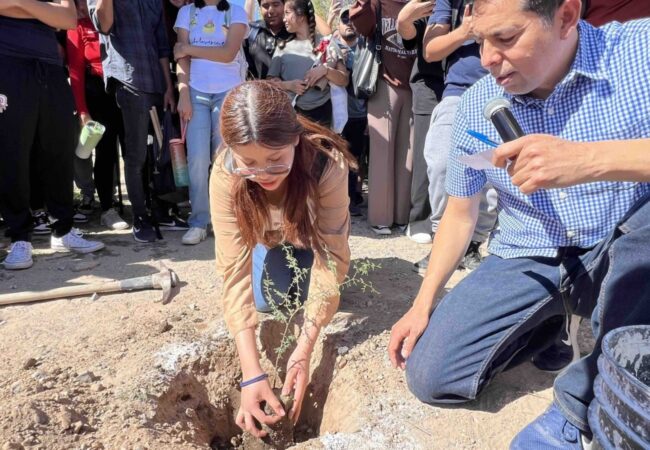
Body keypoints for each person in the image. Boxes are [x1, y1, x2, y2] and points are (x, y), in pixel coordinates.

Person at [387, 0, 650, 448]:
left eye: (506, 38)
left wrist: (589, 160)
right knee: (431, 375)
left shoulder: (637, 53)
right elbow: (461, 213)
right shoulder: (476, 105)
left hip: (621, 241)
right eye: (480, 40)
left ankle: (583, 398)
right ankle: (546, 325)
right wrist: (422, 302)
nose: (488, 58)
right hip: (531, 252)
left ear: (566, 17)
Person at [210, 80, 355, 436]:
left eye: (275, 160)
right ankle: (274, 251)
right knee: (268, 299)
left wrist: (304, 350)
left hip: (313, 239)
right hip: (269, 239)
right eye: (249, 163)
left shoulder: (326, 165)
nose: (262, 174)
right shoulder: (225, 174)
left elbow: (331, 255)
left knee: (318, 294)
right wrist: (252, 374)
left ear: (294, 139)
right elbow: (233, 271)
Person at [0, 0, 105, 270]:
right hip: (8, 64)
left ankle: (63, 230)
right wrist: (45, 11)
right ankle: (20, 237)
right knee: (14, 153)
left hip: (50, 67)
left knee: (58, 149)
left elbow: (68, 18)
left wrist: (19, 3)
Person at [414, 0, 497, 272]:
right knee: (440, 163)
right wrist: (466, 31)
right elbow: (430, 50)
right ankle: (443, 240)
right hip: (457, 93)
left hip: (503, 90)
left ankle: (472, 244)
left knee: (490, 172)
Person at [88, 0, 179, 243]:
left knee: (159, 153)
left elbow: (162, 46)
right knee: (136, 154)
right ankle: (140, 216)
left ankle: (160, 210)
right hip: (128, 80)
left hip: (156, 83)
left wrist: (168, 87)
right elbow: (104, 24)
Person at [173, 0, 249, 245]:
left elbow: (228, 54)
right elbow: (181, 59)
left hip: (228, 92)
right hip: (195, 92)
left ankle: (226, 218)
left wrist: (188, 48)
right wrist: (183, 93)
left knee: (225, 159)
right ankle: (199, 221)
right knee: (196, 159)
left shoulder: (236, 13)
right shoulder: (186, 13)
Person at [350, 0, 417, 235]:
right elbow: (361, 25)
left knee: (408, 153)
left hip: (415, 84)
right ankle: (381, 217)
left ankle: (402, 215)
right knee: (382, 151)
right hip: (383, 81)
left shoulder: (422, 4)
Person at [67, 0, 128, 231]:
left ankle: (143, 204)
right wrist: (83, 110)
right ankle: (107, 209)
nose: (83, 7)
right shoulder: (77, 26)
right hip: (97, 91)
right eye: (78, 3)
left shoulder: (116, 18)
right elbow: (75, 72)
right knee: (105, 150)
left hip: (125, 86)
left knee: (133, 148)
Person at [396, 0, 443, 244]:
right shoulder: (429, 4)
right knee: (425, 153)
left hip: (466, 81)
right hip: (428, 83)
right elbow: (409, 37)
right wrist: (404, 20)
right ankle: (419, 219)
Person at [268, 0, 349, 127]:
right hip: (292, 116)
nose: (283, 19)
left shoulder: (327, 43)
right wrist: (289, 85)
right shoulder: (282, 48)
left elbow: (344, 80)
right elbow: (269, 84)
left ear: (301, 16)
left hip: (324, 116)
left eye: (287, 13)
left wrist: (325, 70)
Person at [332, 4, 368, 217]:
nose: (349, 23)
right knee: (336, 158)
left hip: (360, 114)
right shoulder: (329, 46)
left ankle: (353, 198)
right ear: (338, 23)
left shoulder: (367, 47)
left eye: (354, 18)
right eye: (345, 19)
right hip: (335, 116)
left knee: (355, 158)